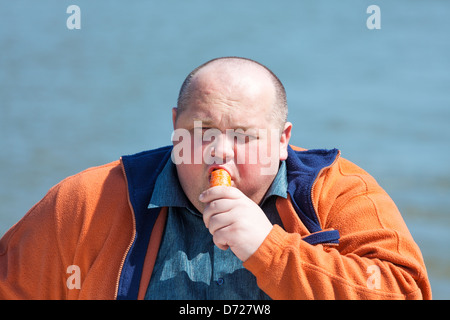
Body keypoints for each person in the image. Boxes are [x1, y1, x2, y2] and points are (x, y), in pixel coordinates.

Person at [0, 57, 431, 300]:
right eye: (202, 132)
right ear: (175, 125)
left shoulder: (339, 192)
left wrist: (270, 249)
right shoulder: (87, 202)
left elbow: (405, 293)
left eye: (244, 136)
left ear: (282, 141)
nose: (220, 151)